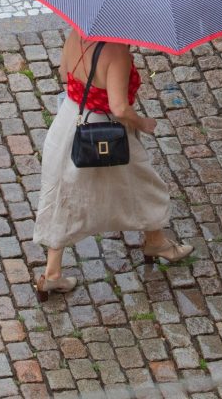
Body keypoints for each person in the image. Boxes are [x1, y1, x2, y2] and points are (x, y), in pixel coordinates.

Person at [32, 30, 193, 301]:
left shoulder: (76, 35)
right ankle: (155, 242)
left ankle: (52, 273)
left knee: (63, 196)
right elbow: (119, 108)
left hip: (69, 123)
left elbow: (63, 73)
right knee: (143, 185)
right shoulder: (117, 52)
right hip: (105, 132)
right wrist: (143, 123)